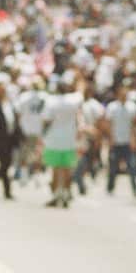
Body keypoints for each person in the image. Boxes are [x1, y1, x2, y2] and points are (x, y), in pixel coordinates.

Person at [40, 77, 83, 207]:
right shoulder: (73, 100)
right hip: (69, 139)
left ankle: (56, 195)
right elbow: (81, 91)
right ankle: (64, 193)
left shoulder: (51, 101)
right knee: (66, 169)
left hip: (54, 139)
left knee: (55, 169)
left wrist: (42, 135)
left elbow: (46, 120)